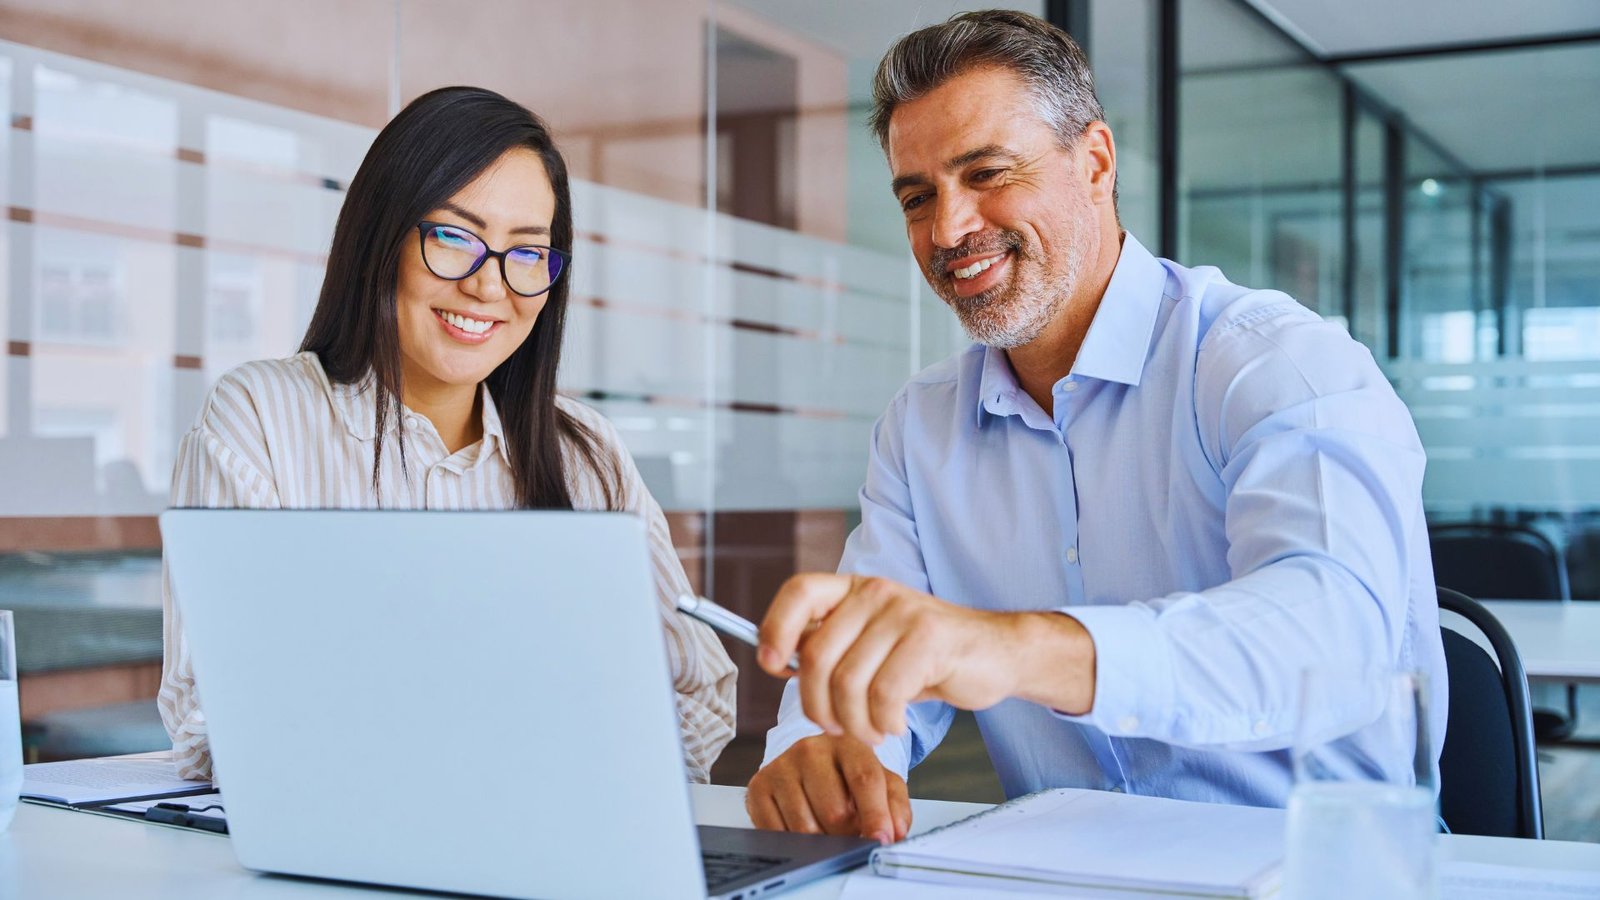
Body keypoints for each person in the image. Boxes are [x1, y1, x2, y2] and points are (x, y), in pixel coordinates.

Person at [746, 10, 1447, 843]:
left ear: (1096, 164)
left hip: (1318, 869)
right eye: (917, 196)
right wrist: (825, 748)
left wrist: (1012, 648)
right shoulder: (920, 428)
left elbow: (1334, 644)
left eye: (988, 173)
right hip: (1064, 870)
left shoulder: (1275, 364)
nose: (948, 229)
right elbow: (878, 668)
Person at [158, 86, 736, 783]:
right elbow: (210, 717)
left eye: (527, 254)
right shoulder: (262, 419)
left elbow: (699, 695)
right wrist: (548, 715)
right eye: (455, 237)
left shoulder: (584, 452)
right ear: (383, 237)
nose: (489, 287)